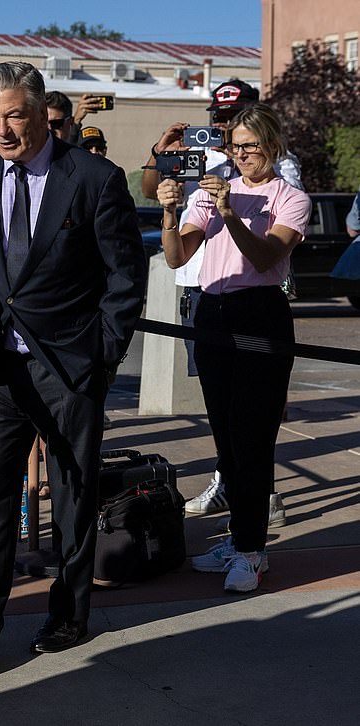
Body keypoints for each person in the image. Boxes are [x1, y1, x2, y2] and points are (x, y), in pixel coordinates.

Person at [0, 61, 146, 666]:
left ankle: (68, 615)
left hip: (69, 368)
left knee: (73, 496)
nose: (2, 129)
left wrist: (102, 359)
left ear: (40, 113)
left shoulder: (94, 177)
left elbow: (125, 279)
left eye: (14, 115)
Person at [156, 102, 311, 592]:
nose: (241, 156)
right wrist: (169, 210)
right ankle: (241, 538)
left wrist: (231, 213)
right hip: (212, 310)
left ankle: (251, 549)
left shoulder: (289, 198)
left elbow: (267, 257)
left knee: (253, 434)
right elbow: (177, 254)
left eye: (251, 147)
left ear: (273, 146)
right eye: (234, 146)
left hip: (261, 312)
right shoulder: (212, 188)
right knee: (225, 435)